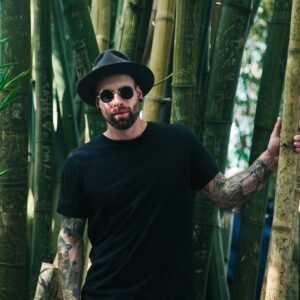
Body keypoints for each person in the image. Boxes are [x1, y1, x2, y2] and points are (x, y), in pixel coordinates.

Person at [56, 49, 300, 300]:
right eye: (107, 95)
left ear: (139, 92)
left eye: (125, 91)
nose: (117, 100)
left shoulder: (178, 142)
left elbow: (226, 194)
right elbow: (70, 241)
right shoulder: (80, 163)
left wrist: (270, 158)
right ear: (98, 103)